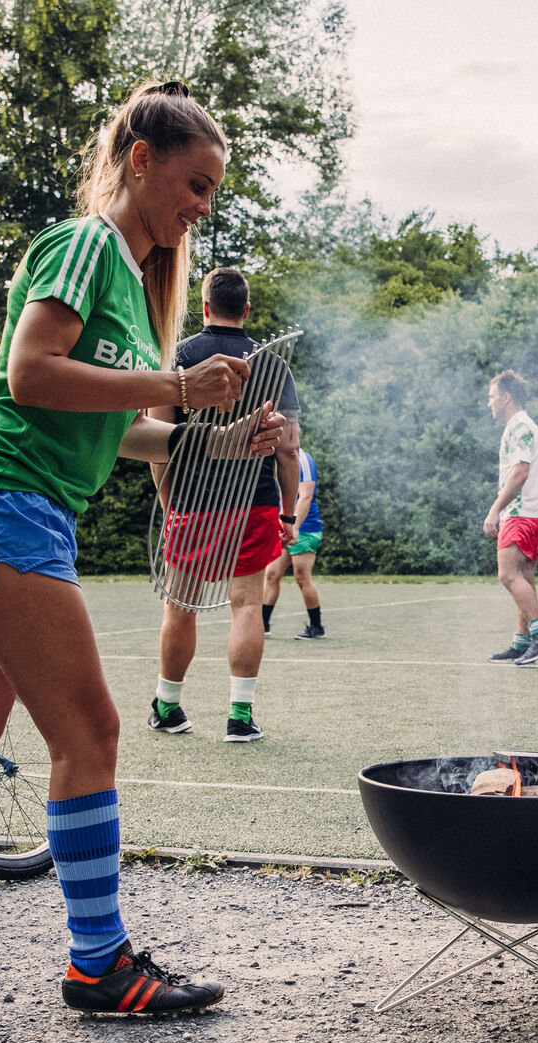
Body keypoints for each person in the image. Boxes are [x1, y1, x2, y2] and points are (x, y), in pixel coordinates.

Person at [0, 82, 285, 1015]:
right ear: (139, 160)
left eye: (212, 192)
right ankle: (98, 962)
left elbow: (120, 429)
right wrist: (174, 379)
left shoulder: (131, 280)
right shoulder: (87, 244)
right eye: (194, 184)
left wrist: (216, 436)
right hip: (4, 510)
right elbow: (30, 375)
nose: (202, 207)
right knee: (91, 734)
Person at [148, 265, 300, 742]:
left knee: (180, 608)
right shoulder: (273, 365)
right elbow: (289, 449)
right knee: (248, 605)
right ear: (246, 310)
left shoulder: (180, 357)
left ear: (206, 305)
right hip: (253, 504)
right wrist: (288, 513)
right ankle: (239, 715)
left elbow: (159, 442)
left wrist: (170, 499)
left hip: (193, 503)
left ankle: (168, 707)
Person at [484, 369, 538, 665]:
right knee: (523, 578)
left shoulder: (520, 426)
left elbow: (520, 471)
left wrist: (495, 509)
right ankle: (522, 641)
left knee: (508, 575)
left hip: (520, 513)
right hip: (530, 513)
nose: (489, 403)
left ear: (506, 398)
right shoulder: (518, 426)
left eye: (492, 397)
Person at [263, 445, 325, 639]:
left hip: (305, 528)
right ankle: (262, 625)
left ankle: (316, 627)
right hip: (285, 527)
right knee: (272, 574)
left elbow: (306, 496)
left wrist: (295, 527)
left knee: (301, 576)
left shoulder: (303, 459)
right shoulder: (277, 459)